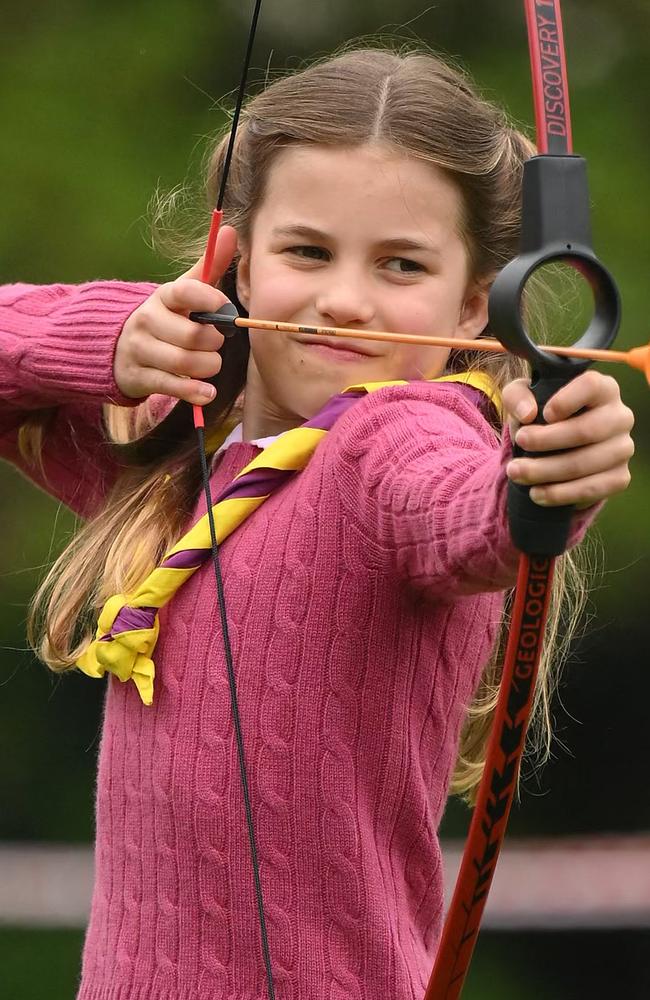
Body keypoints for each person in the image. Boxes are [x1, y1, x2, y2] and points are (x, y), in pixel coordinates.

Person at [0, 47, 634, 999]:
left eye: (401, 264)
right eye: (307, 250)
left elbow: (463, 515)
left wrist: (547, 480)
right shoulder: (184, 472)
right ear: (237, 259)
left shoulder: (396, 437)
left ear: (473, 304)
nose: (344, 297)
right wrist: (123, 336)